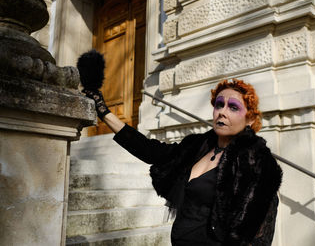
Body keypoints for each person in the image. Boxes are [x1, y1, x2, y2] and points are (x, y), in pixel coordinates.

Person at [84, 78, 282, 245]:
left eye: (233, 107)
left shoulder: (255, 162)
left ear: (249, 119)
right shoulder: (197, 146)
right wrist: (104, 112)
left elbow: (256, 236)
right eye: (219, 104)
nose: (222, 111)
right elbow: (149, 150)